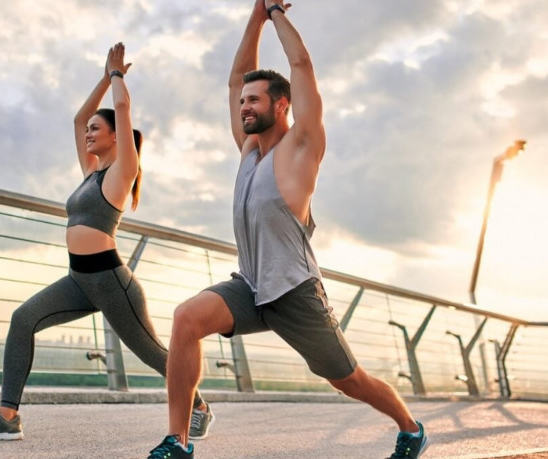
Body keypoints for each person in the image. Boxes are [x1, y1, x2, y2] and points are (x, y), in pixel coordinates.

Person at [146, 2, 429, 459]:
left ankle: (410, 428)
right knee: (186, 318)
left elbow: (301, 64)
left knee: (347, 380)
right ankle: (177, 442)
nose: (243, 107)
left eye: (253, 100)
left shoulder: (302, 147)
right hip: (252, 287)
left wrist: (276, 11)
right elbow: (236, 76)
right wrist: (255, 16)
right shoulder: (248, 151)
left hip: (296, 292)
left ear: (282, 104)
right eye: (241, 102)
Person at [0, 43, 213, 442]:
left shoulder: (121, 172)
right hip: (78, 279)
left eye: (99, 129)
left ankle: (198, 406)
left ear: (117, 136)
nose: (90, 133)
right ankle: (7, 416)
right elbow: (79, 119)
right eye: (91, 130)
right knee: (22, 319)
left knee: (152, 354)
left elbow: (124, 111)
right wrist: (101, 75)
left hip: (112, 282)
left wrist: (117, 77)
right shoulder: (91, 172)